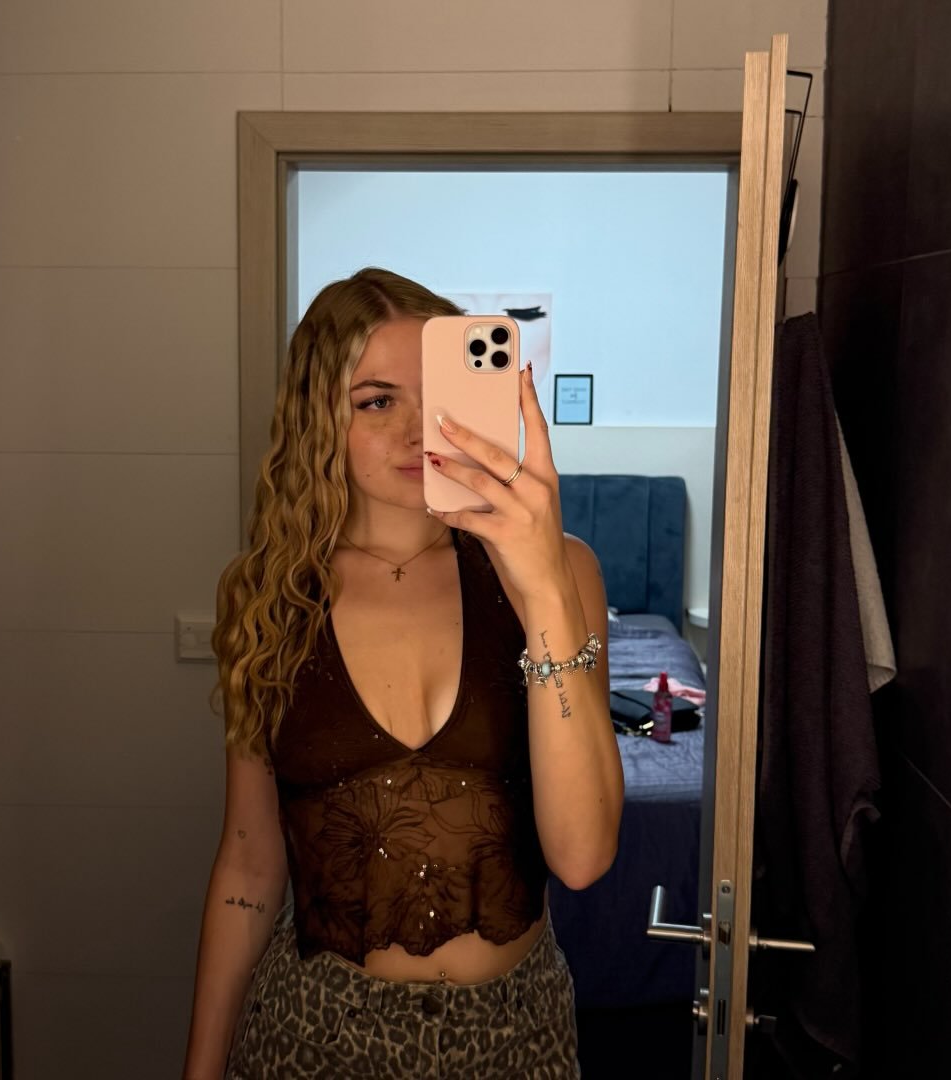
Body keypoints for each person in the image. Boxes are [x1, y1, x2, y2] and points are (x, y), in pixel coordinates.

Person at [182, 268, 623, 1079]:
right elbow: (248, 860)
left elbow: (584, 855)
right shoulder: (269, 597)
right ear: (320, 417)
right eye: (377, 400)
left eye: (437, 395)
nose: (419, 428)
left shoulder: (563, 573)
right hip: (313, 1038)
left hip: (515, 1043)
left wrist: (542, 590)